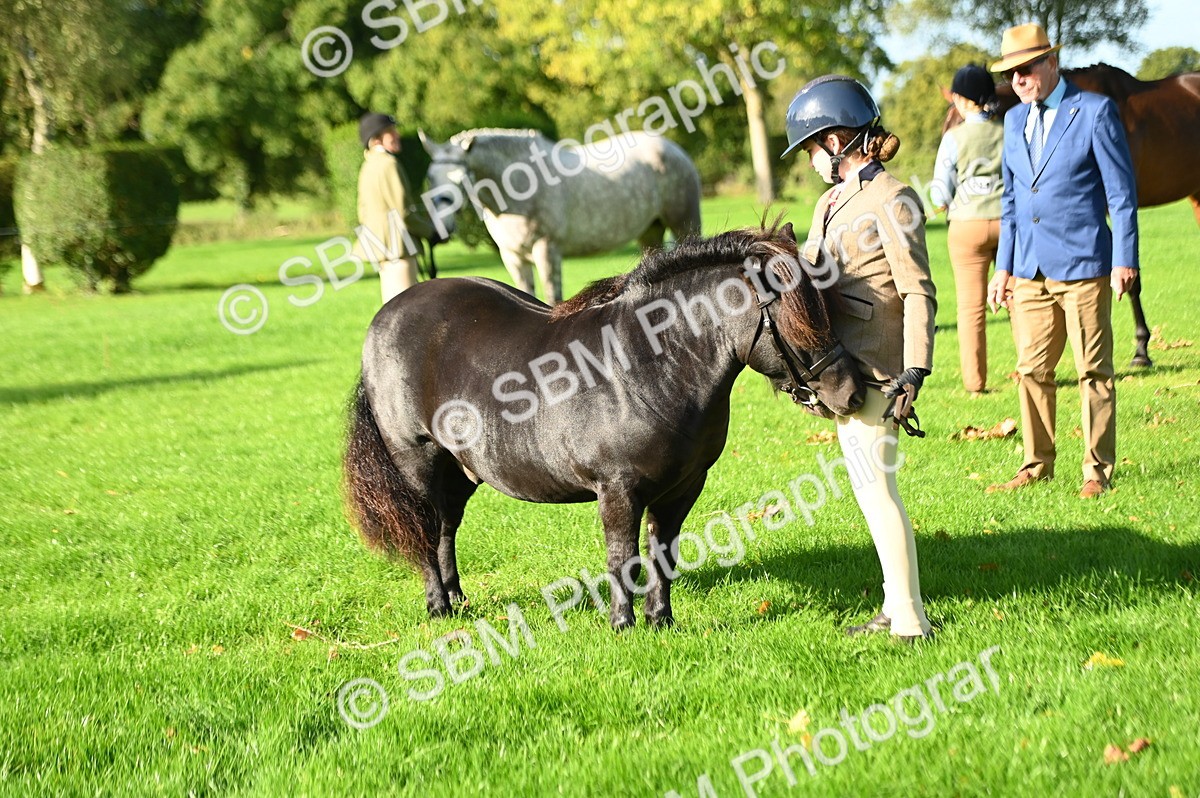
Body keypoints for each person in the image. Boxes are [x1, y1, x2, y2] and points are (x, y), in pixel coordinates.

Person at [782, 75, 937, 642]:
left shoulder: (892, 198)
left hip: (879, 367)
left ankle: (912, 620)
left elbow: (919, 290)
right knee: (867, 493)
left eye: (809, 148)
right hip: (840, 370)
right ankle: (897, 607)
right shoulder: (830, 200)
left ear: (837, 139)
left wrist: (915, 369)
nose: (808, 161)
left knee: (879, 491)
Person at [984, 24, 1139, 499]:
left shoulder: (1094, 111)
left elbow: (1122, 193)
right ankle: (1036, 465)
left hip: (1086, 265)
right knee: (1031, 370)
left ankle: (1096, 471)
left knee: (1093, 370)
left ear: (1052, 62)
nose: (1019, 79)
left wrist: (1124, 259)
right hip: (1028, 270)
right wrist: (1003, 269)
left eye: (1027, 68)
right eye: (1011, 72)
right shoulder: (1012, 121)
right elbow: (1011, 201)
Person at [931, 65, 1006, 396]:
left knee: (971, 308)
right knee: (1018, 299)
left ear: (961, 100)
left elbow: (939, 193)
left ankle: (975, 383)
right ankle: (1031, 369)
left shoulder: (953, 138)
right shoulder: (1007, 131)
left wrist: (950, 200)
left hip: (966, 226)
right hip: (1008, 224)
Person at [355, 113, 439, 303]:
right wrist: (430, 231)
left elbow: (363, 211)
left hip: (381, 248)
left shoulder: (367, 166)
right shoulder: (388, 164)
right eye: (391, 132)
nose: (397, 135)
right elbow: (403, 211)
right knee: (406, 311)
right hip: (398, 247)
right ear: (376, 139)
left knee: (393, 306)